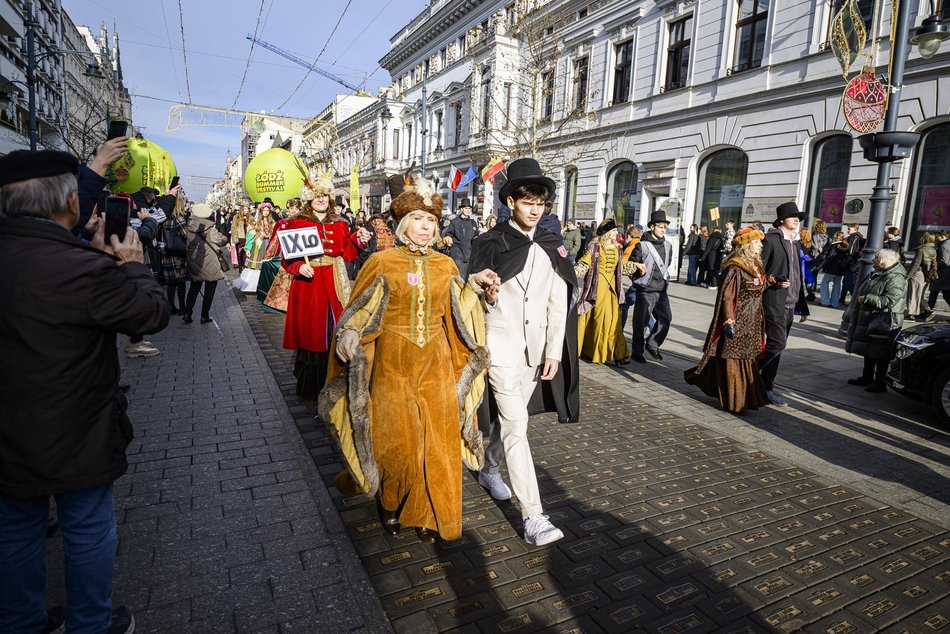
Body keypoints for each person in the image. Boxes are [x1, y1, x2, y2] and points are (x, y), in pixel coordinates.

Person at [0, 149, 169, 634]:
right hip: (78, 424)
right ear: (72, 203)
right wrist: (133, 266)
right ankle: (91, 624)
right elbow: (149, 315)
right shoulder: (82, 267)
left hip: (8, 429)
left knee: (16, 526)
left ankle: (21, 623)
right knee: (87, 526)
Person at [319, 175, 496, 543]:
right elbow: (358, 308)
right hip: (391, 363)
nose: (425, 226)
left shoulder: (446, 264)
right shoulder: (383, 261)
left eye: (431, 220)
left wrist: (475, 286)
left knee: (437, 441)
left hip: (436, 362)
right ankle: (390, 500)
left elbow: (457, 313)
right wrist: (350, 333)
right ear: (403, 224)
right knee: (397, 440)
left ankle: (428, 513)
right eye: (418, 219)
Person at [466, 158, 577, 546]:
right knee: (517, 427)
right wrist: (488, 294)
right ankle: (534, 517)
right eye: (527, 201)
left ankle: (489, 469)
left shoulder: (552, 244)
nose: (535, 209)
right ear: (511, 201)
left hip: (535, 353)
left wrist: (553, 352)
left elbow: (557, 301)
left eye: (540, 203)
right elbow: (473, 296)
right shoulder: (490, 242)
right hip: (498, 347)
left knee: (509, 423)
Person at [282, 176, 361, 400]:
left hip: (334, 282)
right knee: (312, 334)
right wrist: (298, 267)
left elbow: (347, 253)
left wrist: (358, 240)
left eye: (324, 195)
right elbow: (287, 260)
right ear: (309, 198)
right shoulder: (297, 222)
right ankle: (311, 388)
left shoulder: (340, 223)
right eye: (316, 195)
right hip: (309, 285)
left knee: (334, 331)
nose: (321, 199)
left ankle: (334, 382)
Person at [685, 227, 770, 413]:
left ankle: (745, 398)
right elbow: (727, 297)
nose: (760, 245)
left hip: (753, 323)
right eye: (756, 242)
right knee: (734, 361)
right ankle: (736, 402)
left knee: (748, 360)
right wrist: (729, 321)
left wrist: (774, 281)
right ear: (746, 245)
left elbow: (758, 286)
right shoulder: (735, 267)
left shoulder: (755, 264)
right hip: (738, 322)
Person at [759, 202, 810, 406]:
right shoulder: (770, 240)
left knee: (778, 348)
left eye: (798, 216)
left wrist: (802, 306)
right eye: (792, 216)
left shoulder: (795, 243)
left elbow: (798, 275)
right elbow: (756, 271)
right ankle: (748, 372)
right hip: (773, 302)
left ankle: (766, 387)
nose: (797, 219)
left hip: (791, 303)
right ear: (781, 219)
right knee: (777, 343)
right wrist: (773, 279)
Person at [845, 249, 907, 392]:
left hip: (884, 320)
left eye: (877, 258)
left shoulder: (895, 276)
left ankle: (880, 383)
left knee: (881, 352)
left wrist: (867, 299)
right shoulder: (880, 272)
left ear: (887, 260)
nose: (873, 260)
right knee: (870, 349)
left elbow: (890, 300)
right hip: (872, 317)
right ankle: (867, 377)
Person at [576, 218, 629, 364]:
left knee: (614, 321)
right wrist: (571, 272)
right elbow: (584, 263)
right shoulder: (595, 247)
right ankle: (597, 352)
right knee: (600, 319)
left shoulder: (618, 248)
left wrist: (636, 266)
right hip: (598, 287)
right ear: (606, 233)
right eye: (613, 231)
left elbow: (622, 267)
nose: (616, 233)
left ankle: (619, 354)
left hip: (613, 288)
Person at [628, 210, 675, 363]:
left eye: (664, 227)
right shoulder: (641, 245)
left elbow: (667, 265)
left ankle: (653, 344)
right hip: (646, 289)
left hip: (661, 289)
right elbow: (630, 265)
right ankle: (637, 352)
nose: (663, 229)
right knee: (641, 323)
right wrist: (637, 268)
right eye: (660, 227)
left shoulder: (668, 246)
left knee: (666, 318)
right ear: (652, 227)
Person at [182, 203, 229, 324]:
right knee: (210, 290)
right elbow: (222, 240)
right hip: (210, 263)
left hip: (194, 262)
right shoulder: (210, 229)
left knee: (194, 288)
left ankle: (187, 314)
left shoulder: (188, 227)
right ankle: (204, 315)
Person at [159, 193, 190, 314]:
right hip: (178, 254)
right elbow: (186, 235)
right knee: (181, 283)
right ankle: (182, 307)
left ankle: (171, 306)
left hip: (166, 252)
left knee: (171, 283)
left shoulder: (164, 218)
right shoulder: (179, 219)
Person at [442, 198, 479, 277]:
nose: (468, 210)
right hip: (457, 255)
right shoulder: (455, 222)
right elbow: (449, 234)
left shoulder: (473, 223)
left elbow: (476, 236)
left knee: (468, 279)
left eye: (469, 208)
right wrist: (448, 238)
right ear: (461, 209)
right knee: (460, 279)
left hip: (469, 255)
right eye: (466, 208)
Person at [906, 232, 938, 321]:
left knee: (912, 294)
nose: (920, 239)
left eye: (922, 237)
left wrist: (907, 276)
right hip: (927, 274)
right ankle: (927, 310)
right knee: (919, 294)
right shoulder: (933, 249)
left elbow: (915, 264)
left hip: (918, 274)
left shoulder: (921, 250)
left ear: (925, 239)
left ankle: (912, 314)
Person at [819, 231, 852, 308]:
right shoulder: (846, 245)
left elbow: (830, 256)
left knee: (824, 283)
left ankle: (825, 301)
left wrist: (824, 266)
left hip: (832, 267)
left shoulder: (834, 245)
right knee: (837, 284)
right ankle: (835, 303)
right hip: (841, 269)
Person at [841, 223, 865, 304]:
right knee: (846, 282)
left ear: (855, 229)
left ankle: (855, 301)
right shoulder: (860, 237)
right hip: (855, 262)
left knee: (849, 282)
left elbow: (850, 251)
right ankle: (842, 299)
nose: (847, 230)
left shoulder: (853, 238)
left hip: (851, 263)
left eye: (849, 229)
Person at [928, 231, 950, 312]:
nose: (936, 238)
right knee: (945, 294)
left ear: (943, 236)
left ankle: (928, 311)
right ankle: (928, 310)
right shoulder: (947, 244)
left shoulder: (944, 246)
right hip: (945, 274)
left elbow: (944, 261)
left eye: (937, 237)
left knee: (934, 293)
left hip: (942, 274)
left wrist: (932, 264)